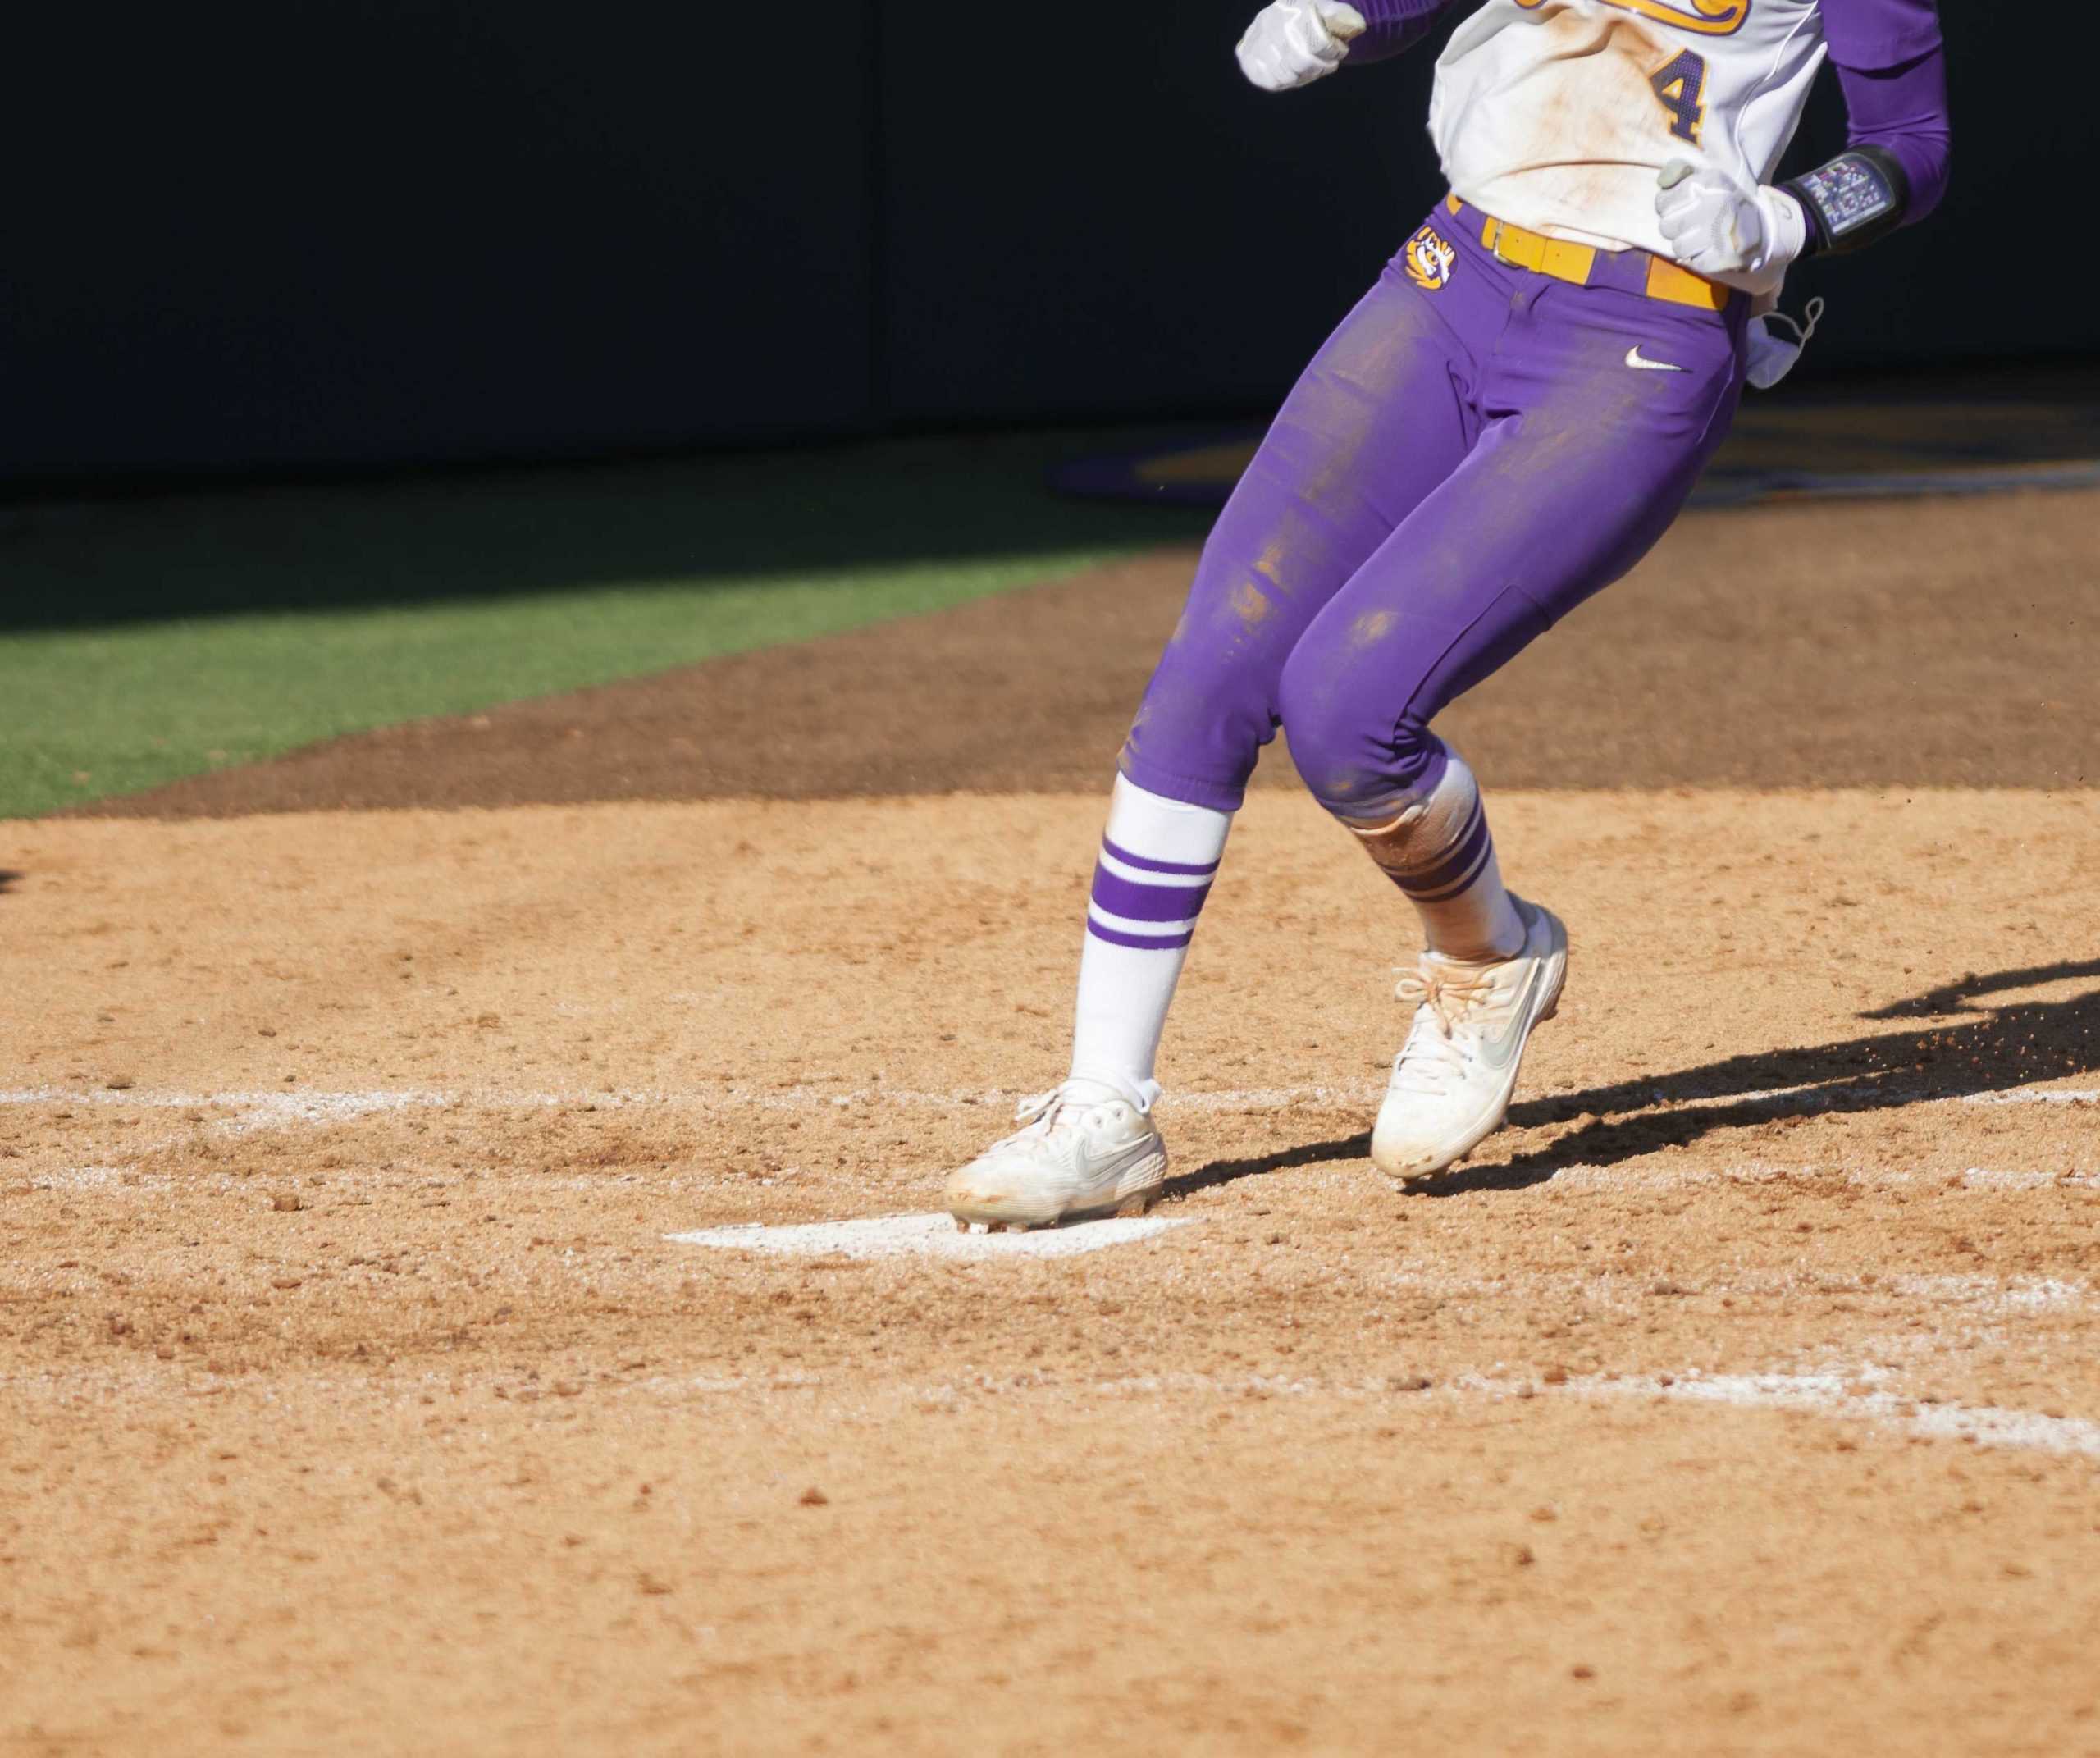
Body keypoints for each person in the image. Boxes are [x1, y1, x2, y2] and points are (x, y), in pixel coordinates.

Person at [945, 0, 1951, 1230]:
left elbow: (1914, 144)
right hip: (1453, 277)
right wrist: (1348, 19)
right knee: (1211, 675)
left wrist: (1784, 218)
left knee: (1349, 712)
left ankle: (1489, 957)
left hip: (1645, 329)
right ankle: (1102, 1108)